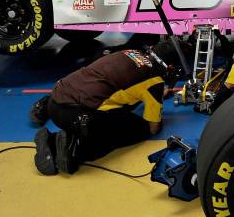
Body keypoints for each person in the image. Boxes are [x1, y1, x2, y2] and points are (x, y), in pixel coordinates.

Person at [29, 40, 190, 176]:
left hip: (56, 100)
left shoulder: (131, 52)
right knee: (139, 128)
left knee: (116, 104)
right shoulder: (154, 82)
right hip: (74, 114)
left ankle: (57, 138)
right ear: (169, 65)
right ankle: (73, 149)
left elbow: (126, 83)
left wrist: (156, 92)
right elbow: (153, 127)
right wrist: (157, 101)